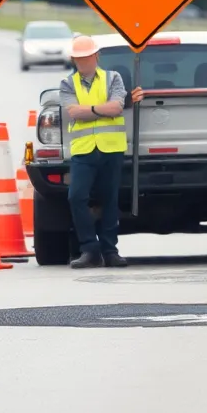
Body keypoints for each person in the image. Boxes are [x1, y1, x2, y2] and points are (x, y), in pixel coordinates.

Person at [59, 35, 145, 269]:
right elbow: (73, 113)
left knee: (109, 200)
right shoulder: (68, 84)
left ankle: (110, 251)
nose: (83, 62)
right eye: (79, 58)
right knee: (76, 197)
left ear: (96, 56)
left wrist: (90, 109)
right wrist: (102, 109)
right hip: (83, 150)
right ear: (73, 60)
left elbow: (117, 106)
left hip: (111, 148)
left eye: (87, 57)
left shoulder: (113, 78)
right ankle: (89, 249)